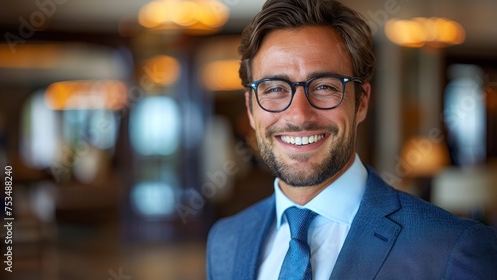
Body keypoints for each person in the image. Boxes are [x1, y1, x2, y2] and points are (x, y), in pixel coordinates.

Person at [206, 0, 497, 279]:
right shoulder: (226, 240)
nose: (298, 114)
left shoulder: (452, 247)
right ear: (251, 108)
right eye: (273, 89)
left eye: (324, 86)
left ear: (361, 102)